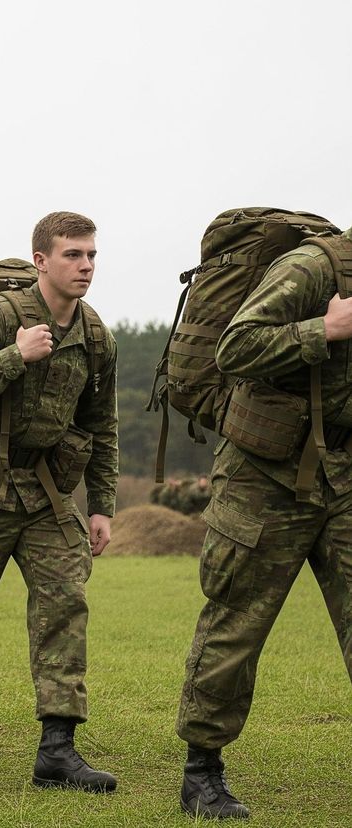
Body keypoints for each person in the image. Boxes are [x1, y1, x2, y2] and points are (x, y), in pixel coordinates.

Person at [0, 212, 119, 790]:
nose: (85, 266)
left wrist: (101, 505)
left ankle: (58, 747)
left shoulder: (96, 336)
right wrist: (15, 356)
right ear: (41, 261)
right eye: (72, 255)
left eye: (91, 255)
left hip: (45, 495)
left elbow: (100, 426)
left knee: (65, 604)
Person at [176, 227, 352, 820]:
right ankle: (202, 771)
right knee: (238, 624)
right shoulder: (311, 268)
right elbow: (235, 347)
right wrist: (322, 330)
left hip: (344, 475)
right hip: (264, 476)